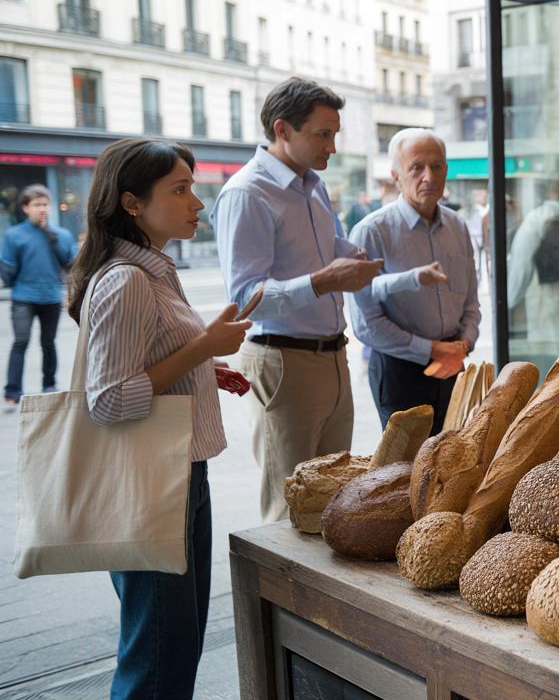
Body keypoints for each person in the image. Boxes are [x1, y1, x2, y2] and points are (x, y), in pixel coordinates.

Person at [64, 138, 251, 697]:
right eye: (179, 189)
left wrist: (204, 366)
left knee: (175, 646)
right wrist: (200, 350)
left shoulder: (151, 270)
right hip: (151, 482)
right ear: (131, 203)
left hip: (179, 474)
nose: (197, 202)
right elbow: (110, 401)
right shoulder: (126, 279)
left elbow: (144, 364)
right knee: (158, 659)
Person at [213, 77, 383, 523]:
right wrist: (325, 280)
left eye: (335, 134)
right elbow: (246, 298)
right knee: (288, 507)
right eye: (322, 134)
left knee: (335, 498)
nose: (331, 146)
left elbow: (323, 245)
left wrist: (350, 256)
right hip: (282, 361)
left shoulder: (313, 184)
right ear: (283, 129)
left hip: (331, 355)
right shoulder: (247, 193)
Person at [348, 128, 480, 432]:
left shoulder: (458, 227)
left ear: (446, 172)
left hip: (453, 365)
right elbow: (366, 324)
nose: (429, 177)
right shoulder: (372, 232)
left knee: (452, 464)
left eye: (436, 167)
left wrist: (462, 345)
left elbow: (471, 301)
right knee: (405, 471)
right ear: (396, 175)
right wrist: (431, 349)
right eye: (416, 167)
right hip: (400, 368)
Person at [2, 185, 77, 408]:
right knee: (20, 342)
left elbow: (71, 265)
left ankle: (49, 385)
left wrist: (52, 240)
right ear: (26, 208)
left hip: (52, 297)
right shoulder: (13, 235)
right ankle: (12, 391)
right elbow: (7, 270)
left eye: (45, 204)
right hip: (23, 298)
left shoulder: (61, 234)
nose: (42, 209)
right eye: (37, 205)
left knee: (48, 343)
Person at [506, 180, 559, 359]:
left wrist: (509, 300)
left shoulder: (537, 217)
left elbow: (522, 261)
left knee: (548, 353)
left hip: (545, 296)